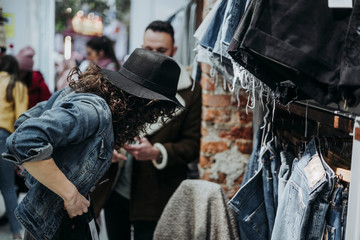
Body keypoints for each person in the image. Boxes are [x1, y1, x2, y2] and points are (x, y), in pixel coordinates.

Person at [2, 48, 183, 240]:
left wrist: (88, 150)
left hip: (51, 218)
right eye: (157, 109)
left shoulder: (83, 95)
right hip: (56, 223)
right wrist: (69, 194)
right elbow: (24, 140)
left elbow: (26, 121)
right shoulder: (94, 110)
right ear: (147, 103)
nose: (154, 116)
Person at [104, 20, 202, 240]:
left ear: (174, 51)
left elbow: (192, 145)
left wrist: (158, 152)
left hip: (156, 194)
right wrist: (106, 148)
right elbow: (106, 126)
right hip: (115, 187)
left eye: (161, 51)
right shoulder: (125, 81)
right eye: (148, 50)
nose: (154, 55)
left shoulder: (190, 91)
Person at [0, 55, 28, 240]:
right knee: (8, 187)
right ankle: (17, 234)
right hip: (3, 138)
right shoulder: (16, 85)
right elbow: (21, 120)